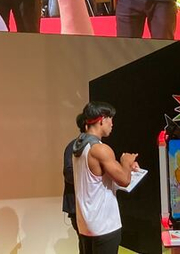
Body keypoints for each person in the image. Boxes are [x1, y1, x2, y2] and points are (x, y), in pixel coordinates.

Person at [72, 101, 138, 254]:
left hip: (86, 225)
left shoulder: (79, 146)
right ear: (102, 120)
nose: (112, 124)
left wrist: (128, 169)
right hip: (104, 225)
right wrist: (126, 161)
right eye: (110, 119)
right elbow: (124, 180)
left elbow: (98, 180)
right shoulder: (100, 149)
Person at [62, 114, 85, 252]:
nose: (111, 123)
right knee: (86, 245)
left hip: (90, 206)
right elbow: (69, 174)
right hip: (78, 206)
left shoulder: (97, 146)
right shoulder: (74, 146)